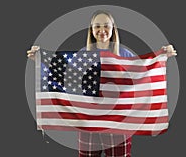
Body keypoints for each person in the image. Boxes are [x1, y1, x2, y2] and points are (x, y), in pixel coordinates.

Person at [27, 10, 177, 157]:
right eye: (97, 26)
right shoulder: (82, 55)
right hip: (87, 124)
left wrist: (163, 55)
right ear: (91, 30)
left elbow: (144, 74)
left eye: (106, 25)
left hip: (119, 124)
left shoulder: (125, 55)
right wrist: (39, 60)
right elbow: (64, 77)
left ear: (113, 28)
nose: (102, 30)